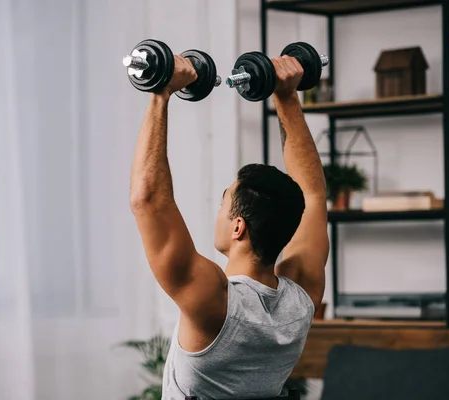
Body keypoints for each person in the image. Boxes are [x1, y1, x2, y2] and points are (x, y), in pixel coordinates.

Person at [129, 53, 329, 399]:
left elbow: (148, 200)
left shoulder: (213, 301)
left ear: (238, 227)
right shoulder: (302, 297)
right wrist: (286, 95)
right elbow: (311, 195)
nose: (217, 213)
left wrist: (160, 93)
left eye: (222, 204)